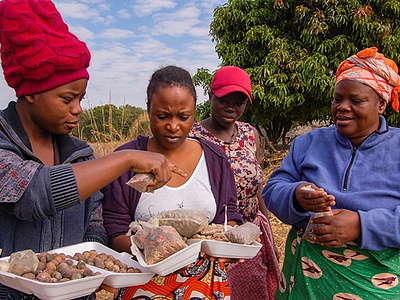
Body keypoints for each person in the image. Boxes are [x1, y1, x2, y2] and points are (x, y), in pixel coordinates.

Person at [0, 1, 184, 299]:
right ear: (30, 91)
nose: (78, 110)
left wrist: (93, 269)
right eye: (68, 98)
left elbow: (95, 225)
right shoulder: (3, 141)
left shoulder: (81, 153)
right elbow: (34, 194)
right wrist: (127, 157)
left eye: (81, 98)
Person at [263, 47, 400, 299]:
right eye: (337, 99)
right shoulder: (310, 142)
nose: (342, 108)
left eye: (355, 101)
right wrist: (296, 195)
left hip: (376, 279)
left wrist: (362, 225)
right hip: (307, 273)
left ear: (381, 104)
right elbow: (273, 187)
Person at [101, 65, 244, 299]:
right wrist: (153, 250)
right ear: (148, 109)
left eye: (183, 116)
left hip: (207, 286)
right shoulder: (125, 159)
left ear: (194, 113)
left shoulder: (215, 159)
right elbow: (114, 226)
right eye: (162, 116)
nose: (173, 126)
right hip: (144, 285)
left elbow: (229, 217)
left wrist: (231, 244)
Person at [189, 66, 280, 300]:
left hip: (249, 237)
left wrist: (266, 229)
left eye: (238, 102)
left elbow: (257, 185)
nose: (231, 107)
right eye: (223, 99)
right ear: (210, 96)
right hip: (209, 242)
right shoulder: (191, 136)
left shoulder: (250, 134)